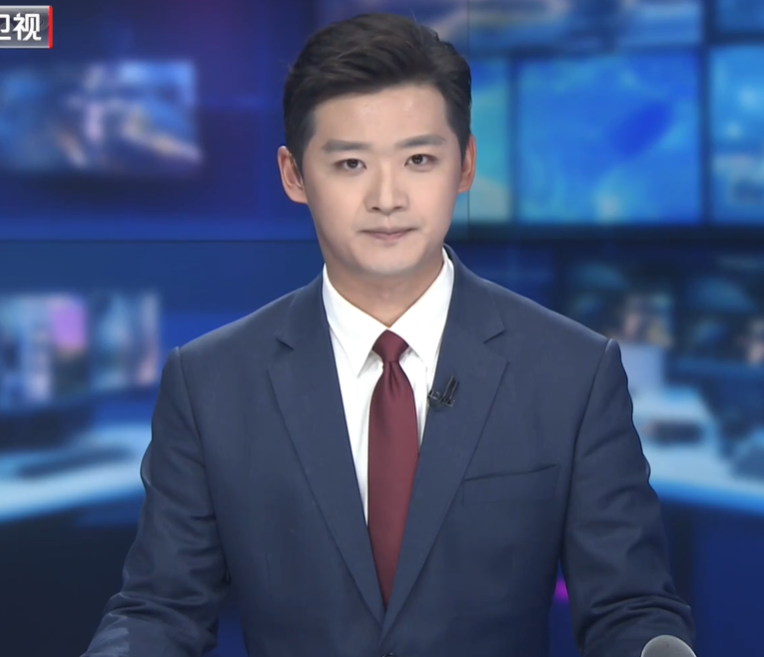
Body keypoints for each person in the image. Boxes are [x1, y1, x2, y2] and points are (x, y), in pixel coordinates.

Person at [84, 12, 693, 657]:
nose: (388, 197)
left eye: (419, 159)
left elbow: (630, 607)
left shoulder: (573, 372)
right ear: (294, 175)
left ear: (466, 165)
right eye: (350, 163)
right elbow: (161, 609)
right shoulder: (211, 383)